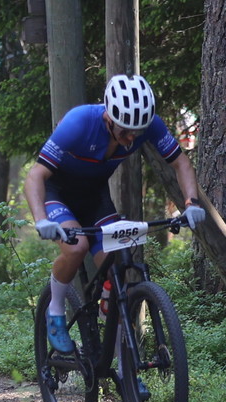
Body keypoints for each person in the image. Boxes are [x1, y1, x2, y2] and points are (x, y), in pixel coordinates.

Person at [23, 74, 206, 360]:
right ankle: (55, 310)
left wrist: (191, 203)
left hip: (95, 198)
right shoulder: (79, 122)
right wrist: (41, 219)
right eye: (125, 132)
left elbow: (181, 163)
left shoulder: (149, 125)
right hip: (57, 193)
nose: (132, 138)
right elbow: (35, 175)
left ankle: (125, 369)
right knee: (77, 247)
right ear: (108, 117)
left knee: (117, 269)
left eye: (138, 132)